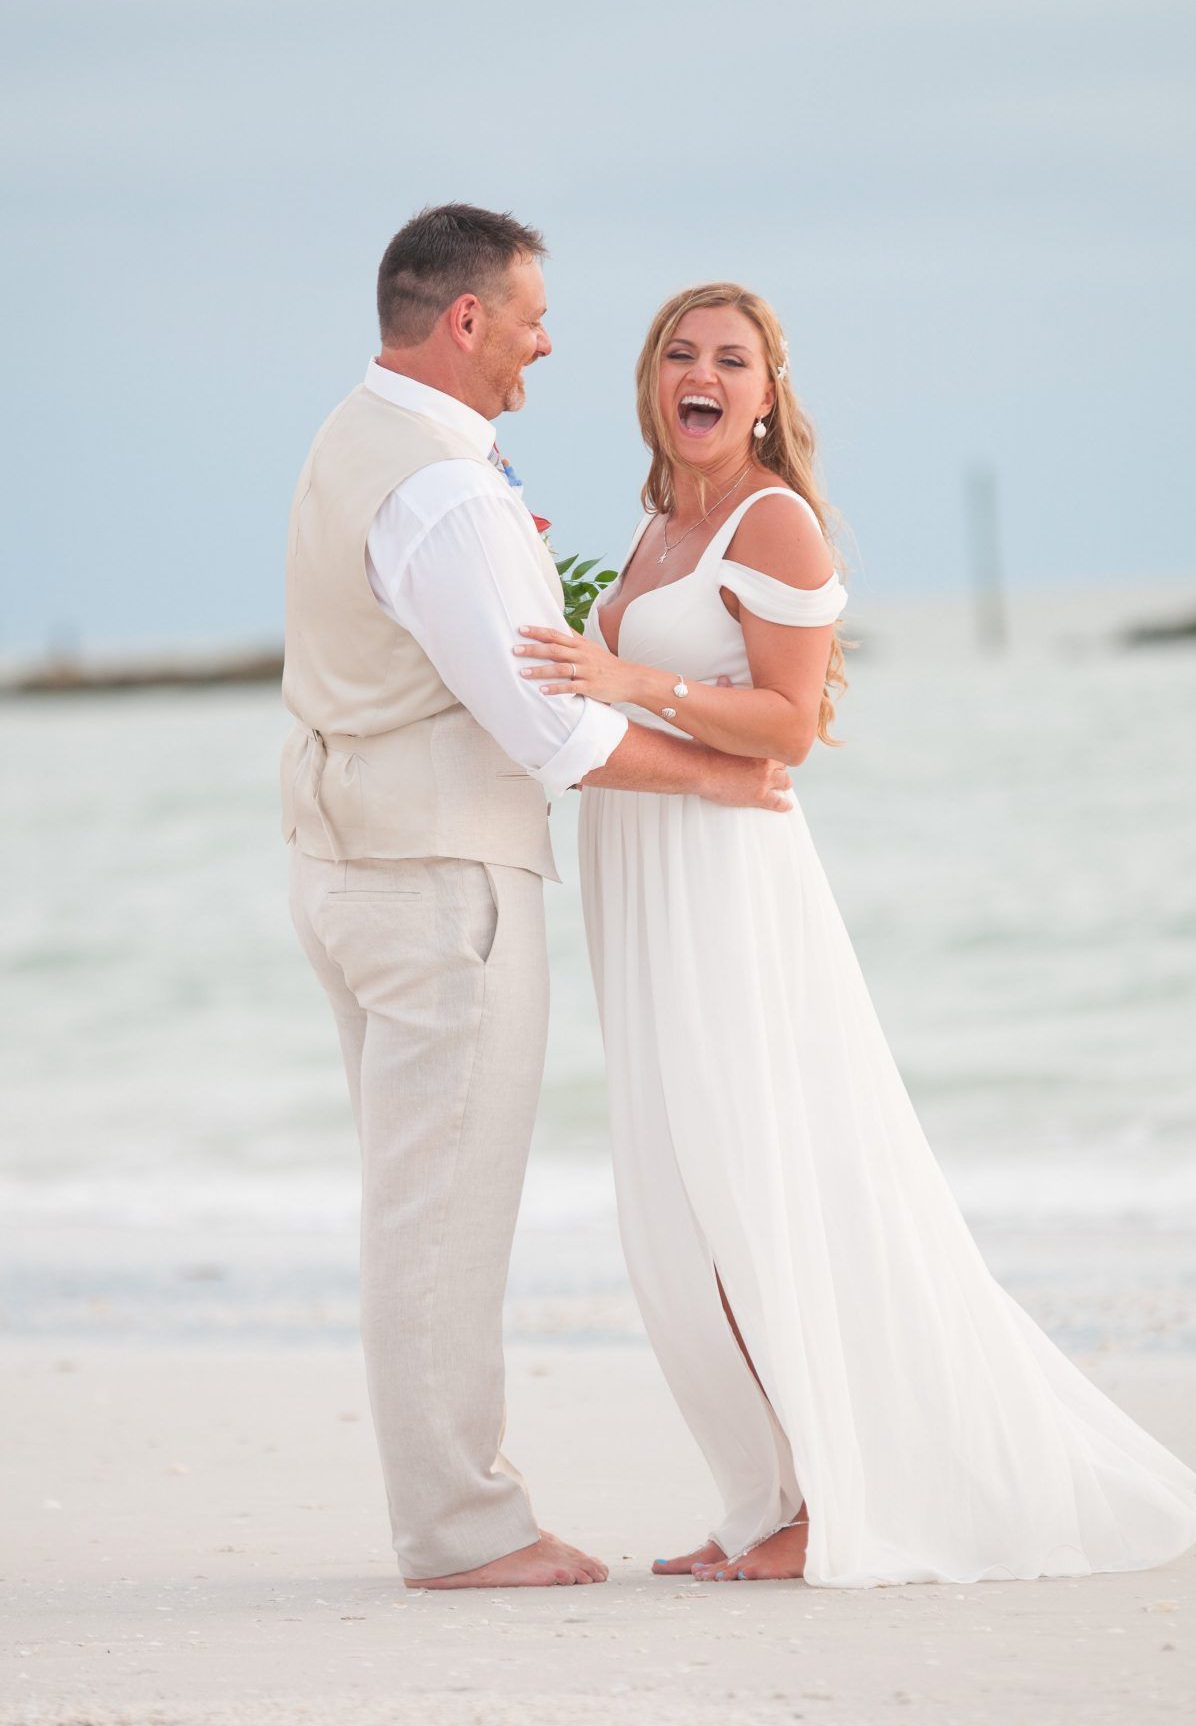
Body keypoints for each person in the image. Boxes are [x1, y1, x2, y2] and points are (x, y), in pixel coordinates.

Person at [512, 280, 1196, 1586]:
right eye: (680, 352)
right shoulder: (661, 524)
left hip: (726, 883)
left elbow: (788, 728)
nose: (702, 373)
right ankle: (763, 1499)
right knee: (685, 1204)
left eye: (733, 358)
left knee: (758, 1183)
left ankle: (831, 1501)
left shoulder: (774, 526)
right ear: (653, 383)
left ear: (768, 396)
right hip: (645, 873)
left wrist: (635, 680)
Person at [281, 214, 793, 1592]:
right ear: (465, 323)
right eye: (529, 317)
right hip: (442, 887)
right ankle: (464, 1531)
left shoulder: (351, 437)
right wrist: (714, 778)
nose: (547, 341)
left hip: (345, 870)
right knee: (442, 1218)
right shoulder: (447, 493)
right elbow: (549, 731)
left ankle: (456, 1518)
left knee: (413, 1207)